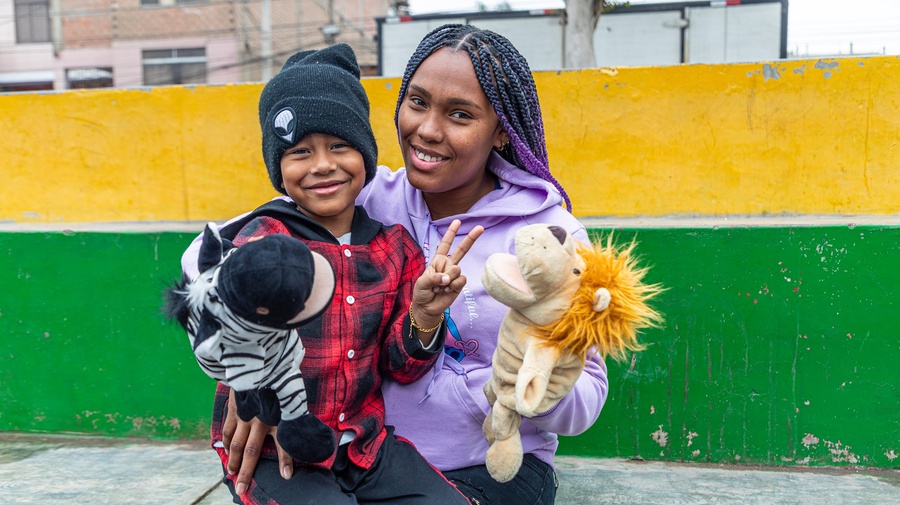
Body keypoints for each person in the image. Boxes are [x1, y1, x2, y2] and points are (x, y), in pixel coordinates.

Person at [188, 25, 608, 505]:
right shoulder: (365, 194)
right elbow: (218, 251)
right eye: (417, 102)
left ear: (502, 132)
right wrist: (258, 376)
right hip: (349, 458)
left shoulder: (549, 237)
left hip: (483, 465)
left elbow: (588, 395)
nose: (427, 129)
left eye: (459, 114)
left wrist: (516, 386)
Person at [183, 43, 480, 504]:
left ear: (365, 153)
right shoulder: (265, 242)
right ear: (278, 168)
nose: (323, 164)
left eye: (340, 145)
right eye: (300, 151)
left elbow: (400, 367)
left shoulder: (394, 248)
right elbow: (218, 326)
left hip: (365, 448)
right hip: (273, 452)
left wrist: (424, 314)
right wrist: (261, 393)